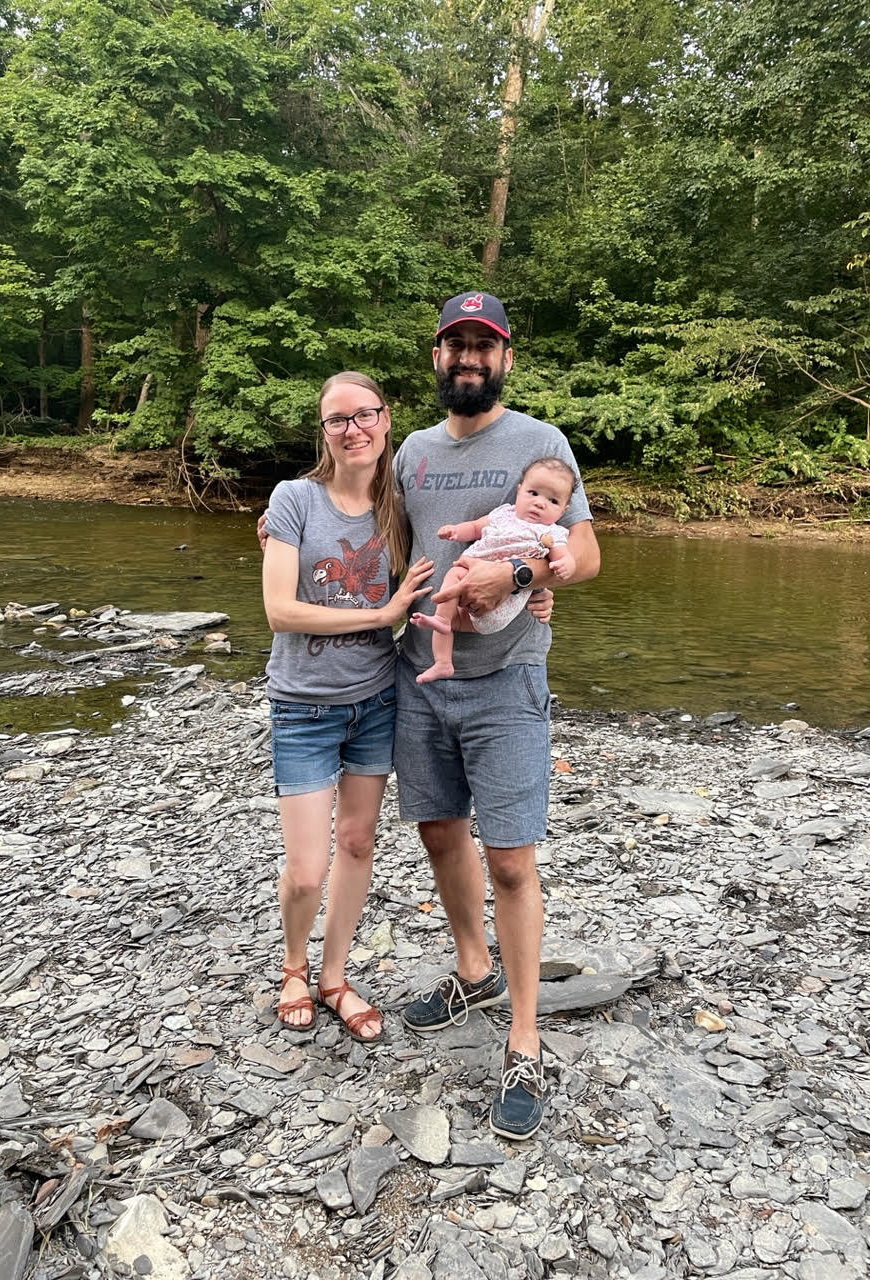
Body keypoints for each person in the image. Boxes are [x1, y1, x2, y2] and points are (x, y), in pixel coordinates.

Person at [394, 291, 600, 1140]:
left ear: (506, 357)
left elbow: (583, 556)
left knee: (512, 860)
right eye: (456, 344)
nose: (469, 357)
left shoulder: (543, 445)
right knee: (440, 833)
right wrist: (283, 523)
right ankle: (471, 971)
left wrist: (520, 582)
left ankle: (524, 1039)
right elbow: (364, 525)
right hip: (419, 676)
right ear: (437, 357)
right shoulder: (409, 450)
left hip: (508, 681)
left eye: (485, 344)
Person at [262, 371, 434, 1044]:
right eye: (338, 420)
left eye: (365, 415)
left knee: (358, 842)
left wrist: (539, 584)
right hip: (303, 705)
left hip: (377, 699)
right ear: (324, 431)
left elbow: (479, 543)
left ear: (387, 421)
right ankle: (293, 965)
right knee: (307, 869)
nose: (353, 429)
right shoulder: (294, 499)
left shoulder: (403, 507)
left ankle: (333, 976)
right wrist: (383, 611)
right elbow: (279, 611)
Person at [410, 457, 576, 683]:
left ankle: (442, 619)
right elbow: (477, 527)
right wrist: (456, 531)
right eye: (533, 493)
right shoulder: (503, 514)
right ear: (519, 490)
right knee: (451, 615)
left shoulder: (551, 533)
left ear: (564, 510)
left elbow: (564, 557)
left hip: (504, 602)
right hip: (472, 593)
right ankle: (443, 662)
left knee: (454, 577)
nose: (540, 503)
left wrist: (564, 564)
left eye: (553, 500)